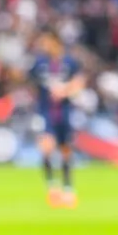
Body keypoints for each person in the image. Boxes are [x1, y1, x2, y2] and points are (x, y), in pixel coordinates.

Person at [31, 31, 85, 208]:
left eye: (45, 42)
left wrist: (65, 90)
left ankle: (68, 189)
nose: (43, 46)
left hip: (65, 112)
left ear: (55, 41)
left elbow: (79, 83)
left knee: (65, 150)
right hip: (45, 112)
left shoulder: (69, 62)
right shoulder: (40, 63)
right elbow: (31, 82)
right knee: (46, 148)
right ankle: (52, 188)